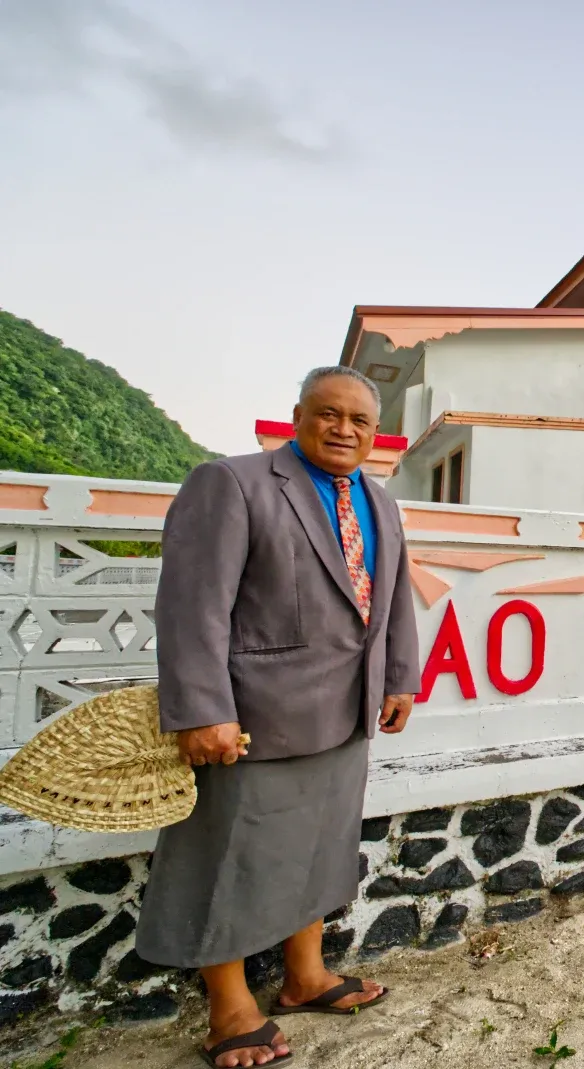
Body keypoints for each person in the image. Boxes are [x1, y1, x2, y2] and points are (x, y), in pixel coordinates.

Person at [135, 367, 421, 1067]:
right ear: (298, 416)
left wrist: (400, 678)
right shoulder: (232, 483)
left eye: (359, 420)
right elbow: (193, 606)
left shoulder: (380, 502)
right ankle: (230, 1010)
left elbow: (393, 598)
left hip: (347, 711)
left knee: (320, 847)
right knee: (227, 856)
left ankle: (306, 977)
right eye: (329, 414)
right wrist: (203, 709)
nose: (343, 429)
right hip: (252, 720)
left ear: (375, 433)